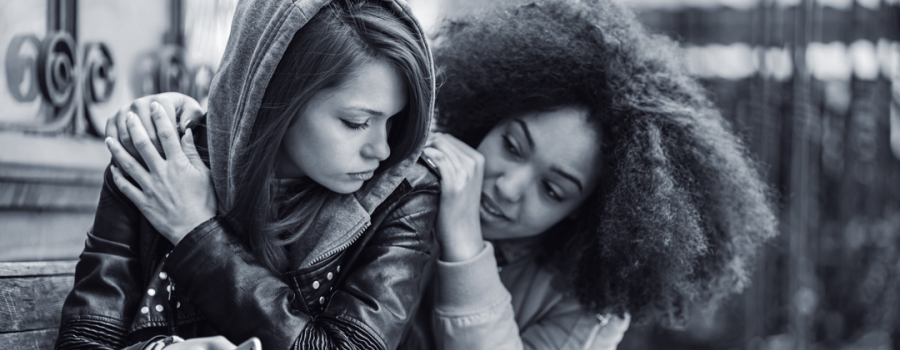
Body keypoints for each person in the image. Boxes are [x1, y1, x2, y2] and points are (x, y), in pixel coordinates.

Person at [54, 0, 438, 349]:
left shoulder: (402, 194)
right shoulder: (159, 161)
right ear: (275, 97)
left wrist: (196, 232)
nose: (382, 149)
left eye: (393, 121)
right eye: (356, 122)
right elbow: (86, 339)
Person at [398, 0, 779, 349]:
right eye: (511, 146)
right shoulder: (410, 173)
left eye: (552, 189)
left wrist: (465, 249)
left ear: (588, 208)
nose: (508, 187)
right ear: (490, 115)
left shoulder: (590, 307)